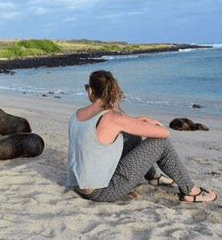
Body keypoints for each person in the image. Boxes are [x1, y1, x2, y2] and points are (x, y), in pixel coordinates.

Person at [67, 70, 217, 203]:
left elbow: (115, 124)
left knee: (130, 136)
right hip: (102, 192)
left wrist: (139, 120)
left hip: (78, 185)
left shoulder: (76, 115)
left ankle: (153, 177)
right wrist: (150, 124)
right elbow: (165, 133)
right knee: (161, 143)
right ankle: (192, 191)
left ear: (91, 91)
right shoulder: (112, 118)